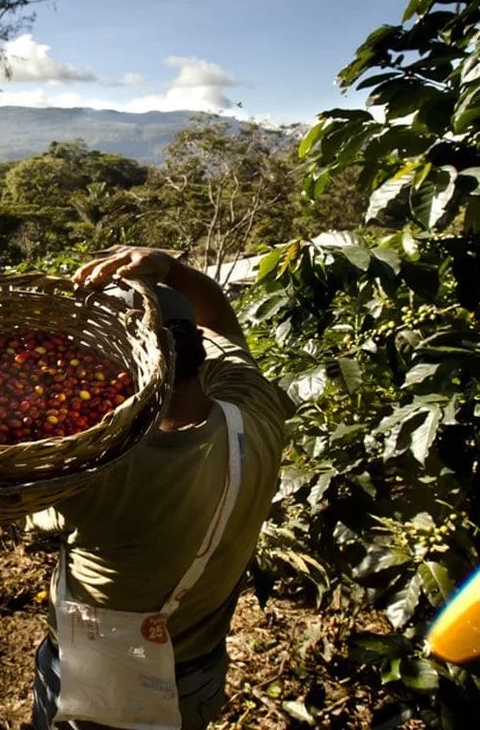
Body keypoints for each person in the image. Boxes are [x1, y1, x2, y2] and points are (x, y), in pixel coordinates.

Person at [26, 246, 294, 730]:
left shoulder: (97, 476)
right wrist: (169, 270)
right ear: (194, 348)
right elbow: (224, 326)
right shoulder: (255, 409)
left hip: (98, 688)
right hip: (198, 675)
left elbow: (7, 502)